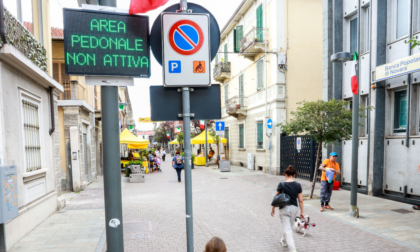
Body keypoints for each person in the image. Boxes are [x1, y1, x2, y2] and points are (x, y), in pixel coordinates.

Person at [271, 165, 304, 252]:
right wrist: (302, 212)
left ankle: (292, 249)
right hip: (294, 208)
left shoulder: (282, 184)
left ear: (285, 174)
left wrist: (273, 208)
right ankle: (284, 240)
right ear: (294, 175)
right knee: (288, 227)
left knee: (287, 229)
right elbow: (300, 200)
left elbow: (276, 197)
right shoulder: (298, 185)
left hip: (284, 208)